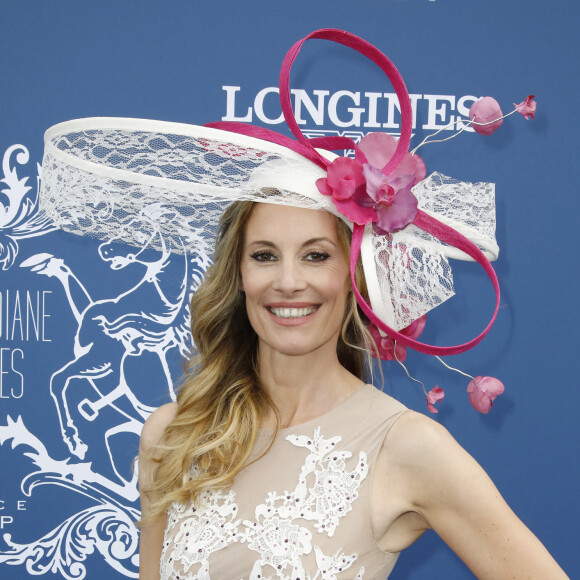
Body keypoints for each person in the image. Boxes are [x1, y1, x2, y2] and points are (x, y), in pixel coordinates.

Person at [37, 28, 568, 580]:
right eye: (265, 256)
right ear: (238, 274)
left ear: (353, 274)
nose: (289, 282)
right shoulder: (172, 435)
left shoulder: (406, 447)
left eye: (316, 256)